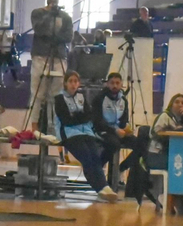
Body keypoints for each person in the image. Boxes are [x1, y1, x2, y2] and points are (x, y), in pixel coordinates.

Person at [53, 70, 117, 201]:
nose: (73, 84)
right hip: (69, 134)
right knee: (86, 157)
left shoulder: (81, 97)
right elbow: (66, 120)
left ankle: (104, 187)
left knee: (95, 156)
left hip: (86, 132)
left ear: (79, 84)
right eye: (70, 81)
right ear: (65, 83)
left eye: (75, 81)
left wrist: (77, 116)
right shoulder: (59, 99)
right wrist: (80, 117)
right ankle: (101, 187)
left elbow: (90, 115)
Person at [94, 71, 152, 209]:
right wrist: (114, 130)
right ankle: (99, 167)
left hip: (118, 131)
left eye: (117, 83)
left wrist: (125, 128)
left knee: (142, 144)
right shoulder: (99, 98)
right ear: (108, 84)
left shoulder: (123, 100)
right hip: (102, 130)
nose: (115, 86)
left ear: (121, 85)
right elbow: (97, 121)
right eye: (112, 83)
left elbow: (123, 120)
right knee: (113, 144)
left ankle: (122, 168)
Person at [27, 0, 73, 130]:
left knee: (56, 94)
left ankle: (53, 126)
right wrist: (49, 15)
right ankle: (34, 126)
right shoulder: (38, 13)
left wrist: (55, 39)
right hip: (40, 56)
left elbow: (68, 37)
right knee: (37, 93)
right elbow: (39, 29)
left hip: (59, 57)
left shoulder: (66, 17)